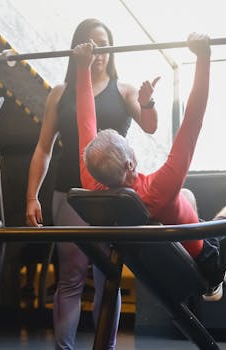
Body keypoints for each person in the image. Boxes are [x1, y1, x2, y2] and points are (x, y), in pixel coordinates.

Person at [73, 32, 226, 302]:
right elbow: (194, 118)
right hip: (207, 259)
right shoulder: (160, 187)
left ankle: (216, 283)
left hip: (170, 264)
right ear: (130, 161)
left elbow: (85, 123)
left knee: (187, 196)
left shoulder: (93, 183)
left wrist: (82, 68)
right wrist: (204, 57)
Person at [25, 18, 159, 350]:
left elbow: (150, 127)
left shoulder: (124, 90)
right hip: (69, 192)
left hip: (113, 198)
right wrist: (31, 197)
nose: (97, 52)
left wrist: (149, 101)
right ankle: (64, 348)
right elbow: (43, 148)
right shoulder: (60, 93)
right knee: (69, 277)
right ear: (78, 51)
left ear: (111, 51)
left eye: (103, 45)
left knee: (107, 278)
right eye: (90, 45)